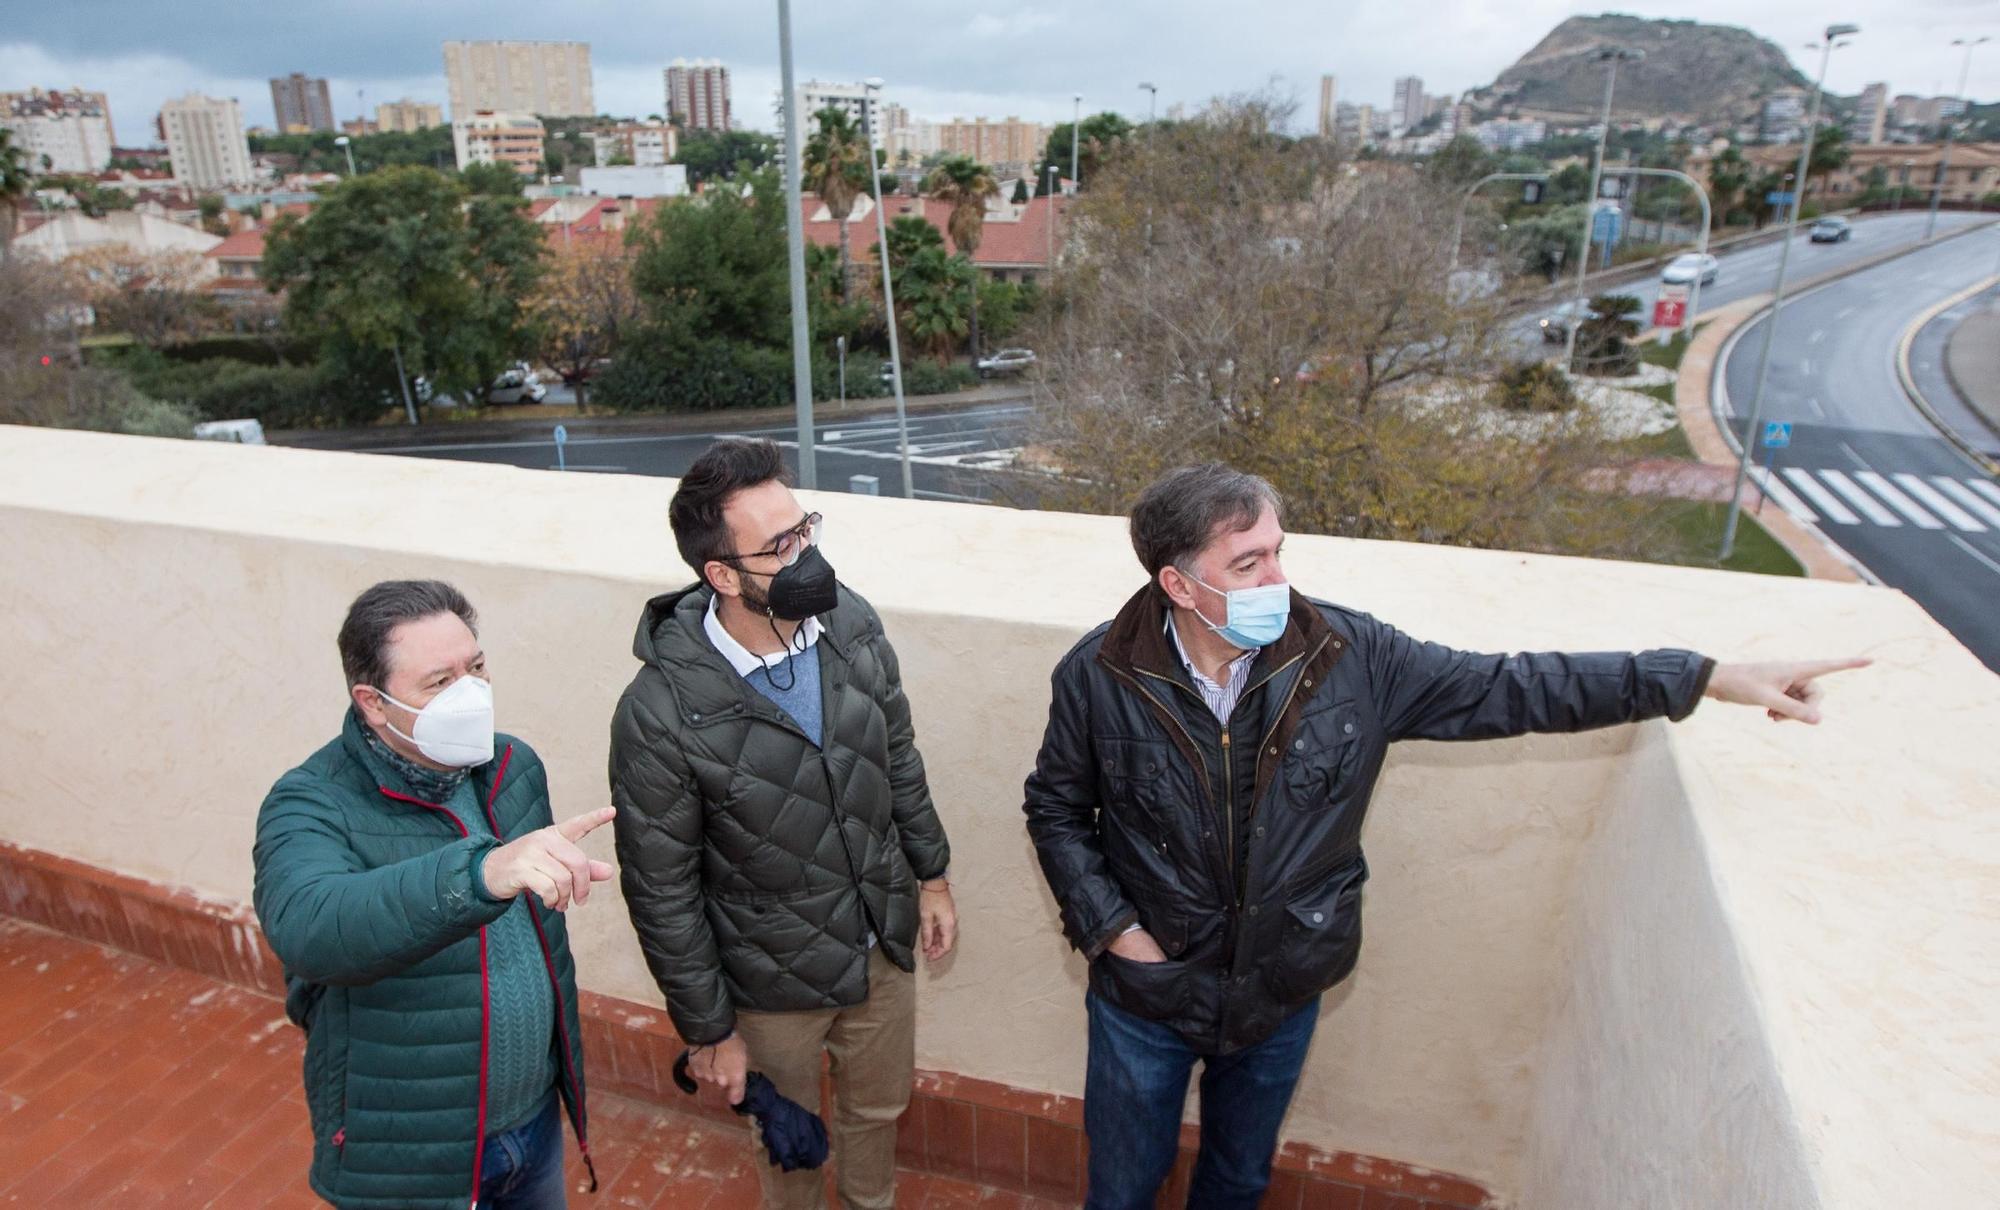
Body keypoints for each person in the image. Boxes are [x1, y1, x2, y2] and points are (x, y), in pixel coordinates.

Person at [1021, 463, 1867, 1210]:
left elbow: (1518, 687)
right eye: (1249, 563)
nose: (1278, 577)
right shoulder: (1099, 675)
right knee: (1123, 1188)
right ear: (1178, 585)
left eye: (1279, 550)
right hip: (1147, 999)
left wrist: (1704, 677)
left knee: (1239, 1182)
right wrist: (1116, 933)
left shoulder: (1353, 658)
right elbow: (1057, 809)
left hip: (1280, 992)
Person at [609, 438, 957, 1210]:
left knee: (876, 1114)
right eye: (780, 547)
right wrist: (709, 1030)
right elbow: (661, 892)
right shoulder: (660, 713)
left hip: (878, 947)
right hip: (772, 988)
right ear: (723, 576)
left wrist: (931, 874)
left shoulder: (851, 622)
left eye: (806, 531)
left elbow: (896, 753)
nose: (807, 559)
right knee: (792, 1147)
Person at [253, 579, 613, 1210]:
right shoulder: (309, 801)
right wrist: (479, 875)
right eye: (439, 682)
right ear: (373, 703)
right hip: (413, 1156)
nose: (470, 694)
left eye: (476, 668)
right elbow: (310, 928)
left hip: (533, 1124)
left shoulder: (513, 767)